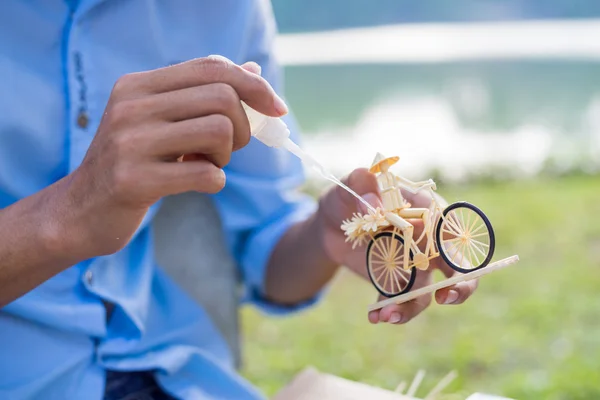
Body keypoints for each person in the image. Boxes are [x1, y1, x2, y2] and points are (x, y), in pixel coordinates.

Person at [0, 1, 479, 399]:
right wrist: (64, 216)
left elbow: (263, 245)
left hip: (184, 382)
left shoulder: (228, 9)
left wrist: (321, 236)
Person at [369, 153, 436, 269]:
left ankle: (432, 248)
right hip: (389, 212)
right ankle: (407, 263)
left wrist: (426, 183)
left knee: (425, 212)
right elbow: (380, 190)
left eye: (386, 163)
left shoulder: (394, 176)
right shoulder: (378, 179)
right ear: (379, 166)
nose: (385, 165)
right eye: (382, 164)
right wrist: (388, 189)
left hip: (400, 209)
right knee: (408, 227)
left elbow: (412, 185)